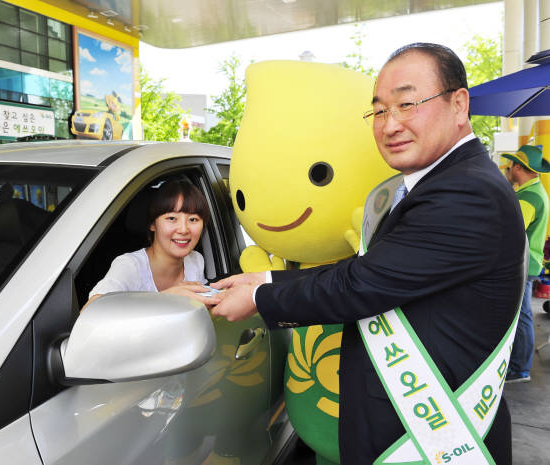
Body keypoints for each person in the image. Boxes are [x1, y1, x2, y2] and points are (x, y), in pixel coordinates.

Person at [211, 43, 525, 465]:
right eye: (379, 110)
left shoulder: (466, 192)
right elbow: (375, 270)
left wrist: (258, 298)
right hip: (410, 431)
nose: (390, 124)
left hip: (430, 441)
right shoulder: (442, 182)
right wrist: (264, 279)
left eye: (407, 104)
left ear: (459, 104)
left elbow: (362, 284)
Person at [84, 180, 220, 309]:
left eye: (193, 219)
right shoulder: (130, 266)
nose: (183, 229)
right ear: (153, 224)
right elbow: (88, 311)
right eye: (172, 218)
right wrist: (166, 297)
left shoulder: (195, 260)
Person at [502, 144, 550, 383]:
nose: (508, 170)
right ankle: (519, 364)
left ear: (518, 167)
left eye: (510, 166)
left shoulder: (528, 197)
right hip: (529, 263)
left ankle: (520, 368)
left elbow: (510, 232)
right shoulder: (536, 191)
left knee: (521, 316)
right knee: (522, 315)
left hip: (522, 264)